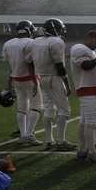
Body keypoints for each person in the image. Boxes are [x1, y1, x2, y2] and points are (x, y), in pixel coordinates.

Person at [24, 18, 75, 150]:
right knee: (64, 110)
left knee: (48, 109)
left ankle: (48, 140)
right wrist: (67, 84)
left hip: (42, 78)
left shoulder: (35, 42)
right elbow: (60, 66)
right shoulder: (57, 42)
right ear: (56, 28)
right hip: (55, 78)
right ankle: (61, 141)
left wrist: (35, 79)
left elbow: (28, 61)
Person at [70, 31, 96, 163]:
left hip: (90, 89)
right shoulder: (80, 48)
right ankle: (92, 152)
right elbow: (85, 66)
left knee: (84, 122)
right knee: (91, 122)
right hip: (87, 89)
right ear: (89, 38)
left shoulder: (87, 50)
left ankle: (82, 150)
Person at [2, 20, 43, 145]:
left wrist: (8, 83)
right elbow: (30, 63)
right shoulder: (32, 43)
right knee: (37, 106)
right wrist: (36, 82)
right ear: (29, 30)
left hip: (16, 79)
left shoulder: (8, 44)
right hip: (29, 79)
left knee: (22, 107)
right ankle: (29, 135)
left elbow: (10, 66)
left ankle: (23, 134)